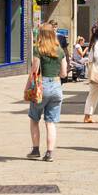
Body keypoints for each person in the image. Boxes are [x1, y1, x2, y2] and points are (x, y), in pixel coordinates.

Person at [27, 23, 67, 161]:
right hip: (56, 86)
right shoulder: (60, 51)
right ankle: (49, 153)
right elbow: (64, 73)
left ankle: (35, 150)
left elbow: (34, 70)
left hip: (41, 87)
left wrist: (28, 86)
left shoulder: (38, 49)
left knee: (34, 119)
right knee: (50, 122)